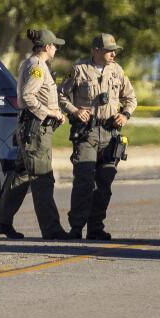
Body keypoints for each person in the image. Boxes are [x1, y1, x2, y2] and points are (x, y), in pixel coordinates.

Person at [0, 28, 70, 240]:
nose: (56, 49)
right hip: (36, 130)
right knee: (42, 179)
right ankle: (52, 230)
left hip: (31, 129)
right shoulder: (37, 67)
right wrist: (50, 112)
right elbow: (28, 97)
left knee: (21, 176)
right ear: (46, 47)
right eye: (54, 45)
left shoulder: (32, 63)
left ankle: (3, 221)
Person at [58, 33, 137, 240]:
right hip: (87, 133)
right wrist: (75, 111)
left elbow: (131, 98)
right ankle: (76, 228)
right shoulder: (79, 70)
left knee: (104, 183)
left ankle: (96, 228)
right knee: (84, 180)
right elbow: (61, 96)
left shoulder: (117, 71)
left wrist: (125, 115)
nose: (113, 54)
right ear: (96, 51)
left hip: (110, 134)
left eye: (114, 50)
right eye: (109, 50)